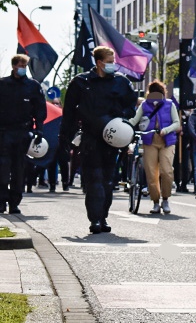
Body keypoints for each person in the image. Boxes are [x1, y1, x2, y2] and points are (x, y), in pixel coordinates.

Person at [60, 47, 138, 233]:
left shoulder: (121, 82)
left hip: (113, 139)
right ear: (99, 62)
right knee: (94, 179)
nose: (113, 65)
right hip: (90, 138)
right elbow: (69, 113)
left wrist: (122, 116)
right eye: (109, 62)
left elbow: (131, 107)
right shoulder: (81, 82)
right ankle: (95, 219)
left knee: (108, 181)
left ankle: (103, 217)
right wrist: (65, 138)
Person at [0, 55, 46, 214]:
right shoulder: (3, 84)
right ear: (14, 66)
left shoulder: (32, 86)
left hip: (23, 132)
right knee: (3, 169)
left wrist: (39, 130)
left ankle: (14, 202)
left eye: (25, 66)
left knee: (19, 170)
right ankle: (1, 201)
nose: (23, 69)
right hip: (4, 132)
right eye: (20, 65)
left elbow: (40, 110)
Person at [132, 80, 181, 214]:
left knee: (166, 171)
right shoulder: (144, 105)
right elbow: (135, 119)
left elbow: (177, 123)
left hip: (167, 141)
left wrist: (166, 130)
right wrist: (125, 125)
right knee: (151, 173)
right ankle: (155, 201)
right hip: (150, 141)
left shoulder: (170, 104)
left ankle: (165, 199)